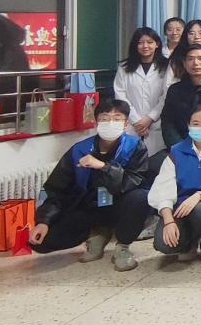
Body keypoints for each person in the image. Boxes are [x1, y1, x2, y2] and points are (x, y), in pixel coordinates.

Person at [29, 99, 151, 272]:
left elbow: (134, 181)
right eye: (105, 118)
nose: (111, 123)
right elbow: (57, 188)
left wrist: (103, 166)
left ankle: (122, 246)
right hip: (89, 206)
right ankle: (98, 234)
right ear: (96, 122)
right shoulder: (80, 149)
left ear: (125, 124)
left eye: (117, 119)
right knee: (42, 242)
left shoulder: (135, 146)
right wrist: (43, 221)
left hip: (119, 205)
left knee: (140, 197)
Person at [147, 105, 201, 271]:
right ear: (188, 125)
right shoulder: (177, 151)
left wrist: (200, 196)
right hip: (181, 209)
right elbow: (163, 186)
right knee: (164, 244)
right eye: (196, 123)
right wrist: (168, 221)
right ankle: (189, 243)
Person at [114, 27, 171, 155]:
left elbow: (167, 95)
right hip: (132, 124)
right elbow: (120, 95)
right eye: (140, 43)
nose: (145, 46)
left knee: (155, 161)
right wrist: (136, 121)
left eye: (150, 42)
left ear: (157, 44)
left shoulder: (167, 66)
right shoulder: (124, 67)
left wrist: (150, 118)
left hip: (157, 124)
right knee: (131, 159)